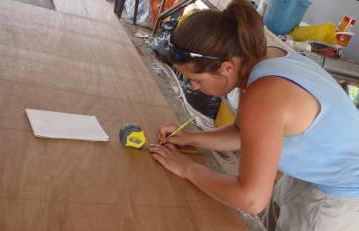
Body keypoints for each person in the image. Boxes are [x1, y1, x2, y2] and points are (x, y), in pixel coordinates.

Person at [147, 0, 359, 230]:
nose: (193, 87)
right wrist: (190, 137)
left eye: (197, 80)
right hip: (317, 170)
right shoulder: (258, 61)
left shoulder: (264, 93)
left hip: (344, 194)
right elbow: (243, 132)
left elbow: (251, 199)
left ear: (226, 67)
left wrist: (187, 168)